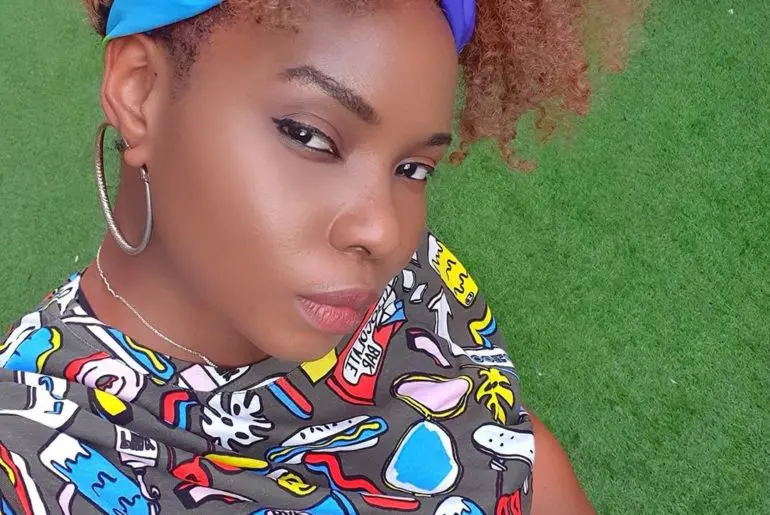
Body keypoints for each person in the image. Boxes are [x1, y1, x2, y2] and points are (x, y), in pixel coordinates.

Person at [0, 0, 641, 513]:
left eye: (412, 168)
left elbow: (510, 443)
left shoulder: (403, 285)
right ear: (139, 91)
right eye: (309, 136)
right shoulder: (32, 456)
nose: (382, 229)